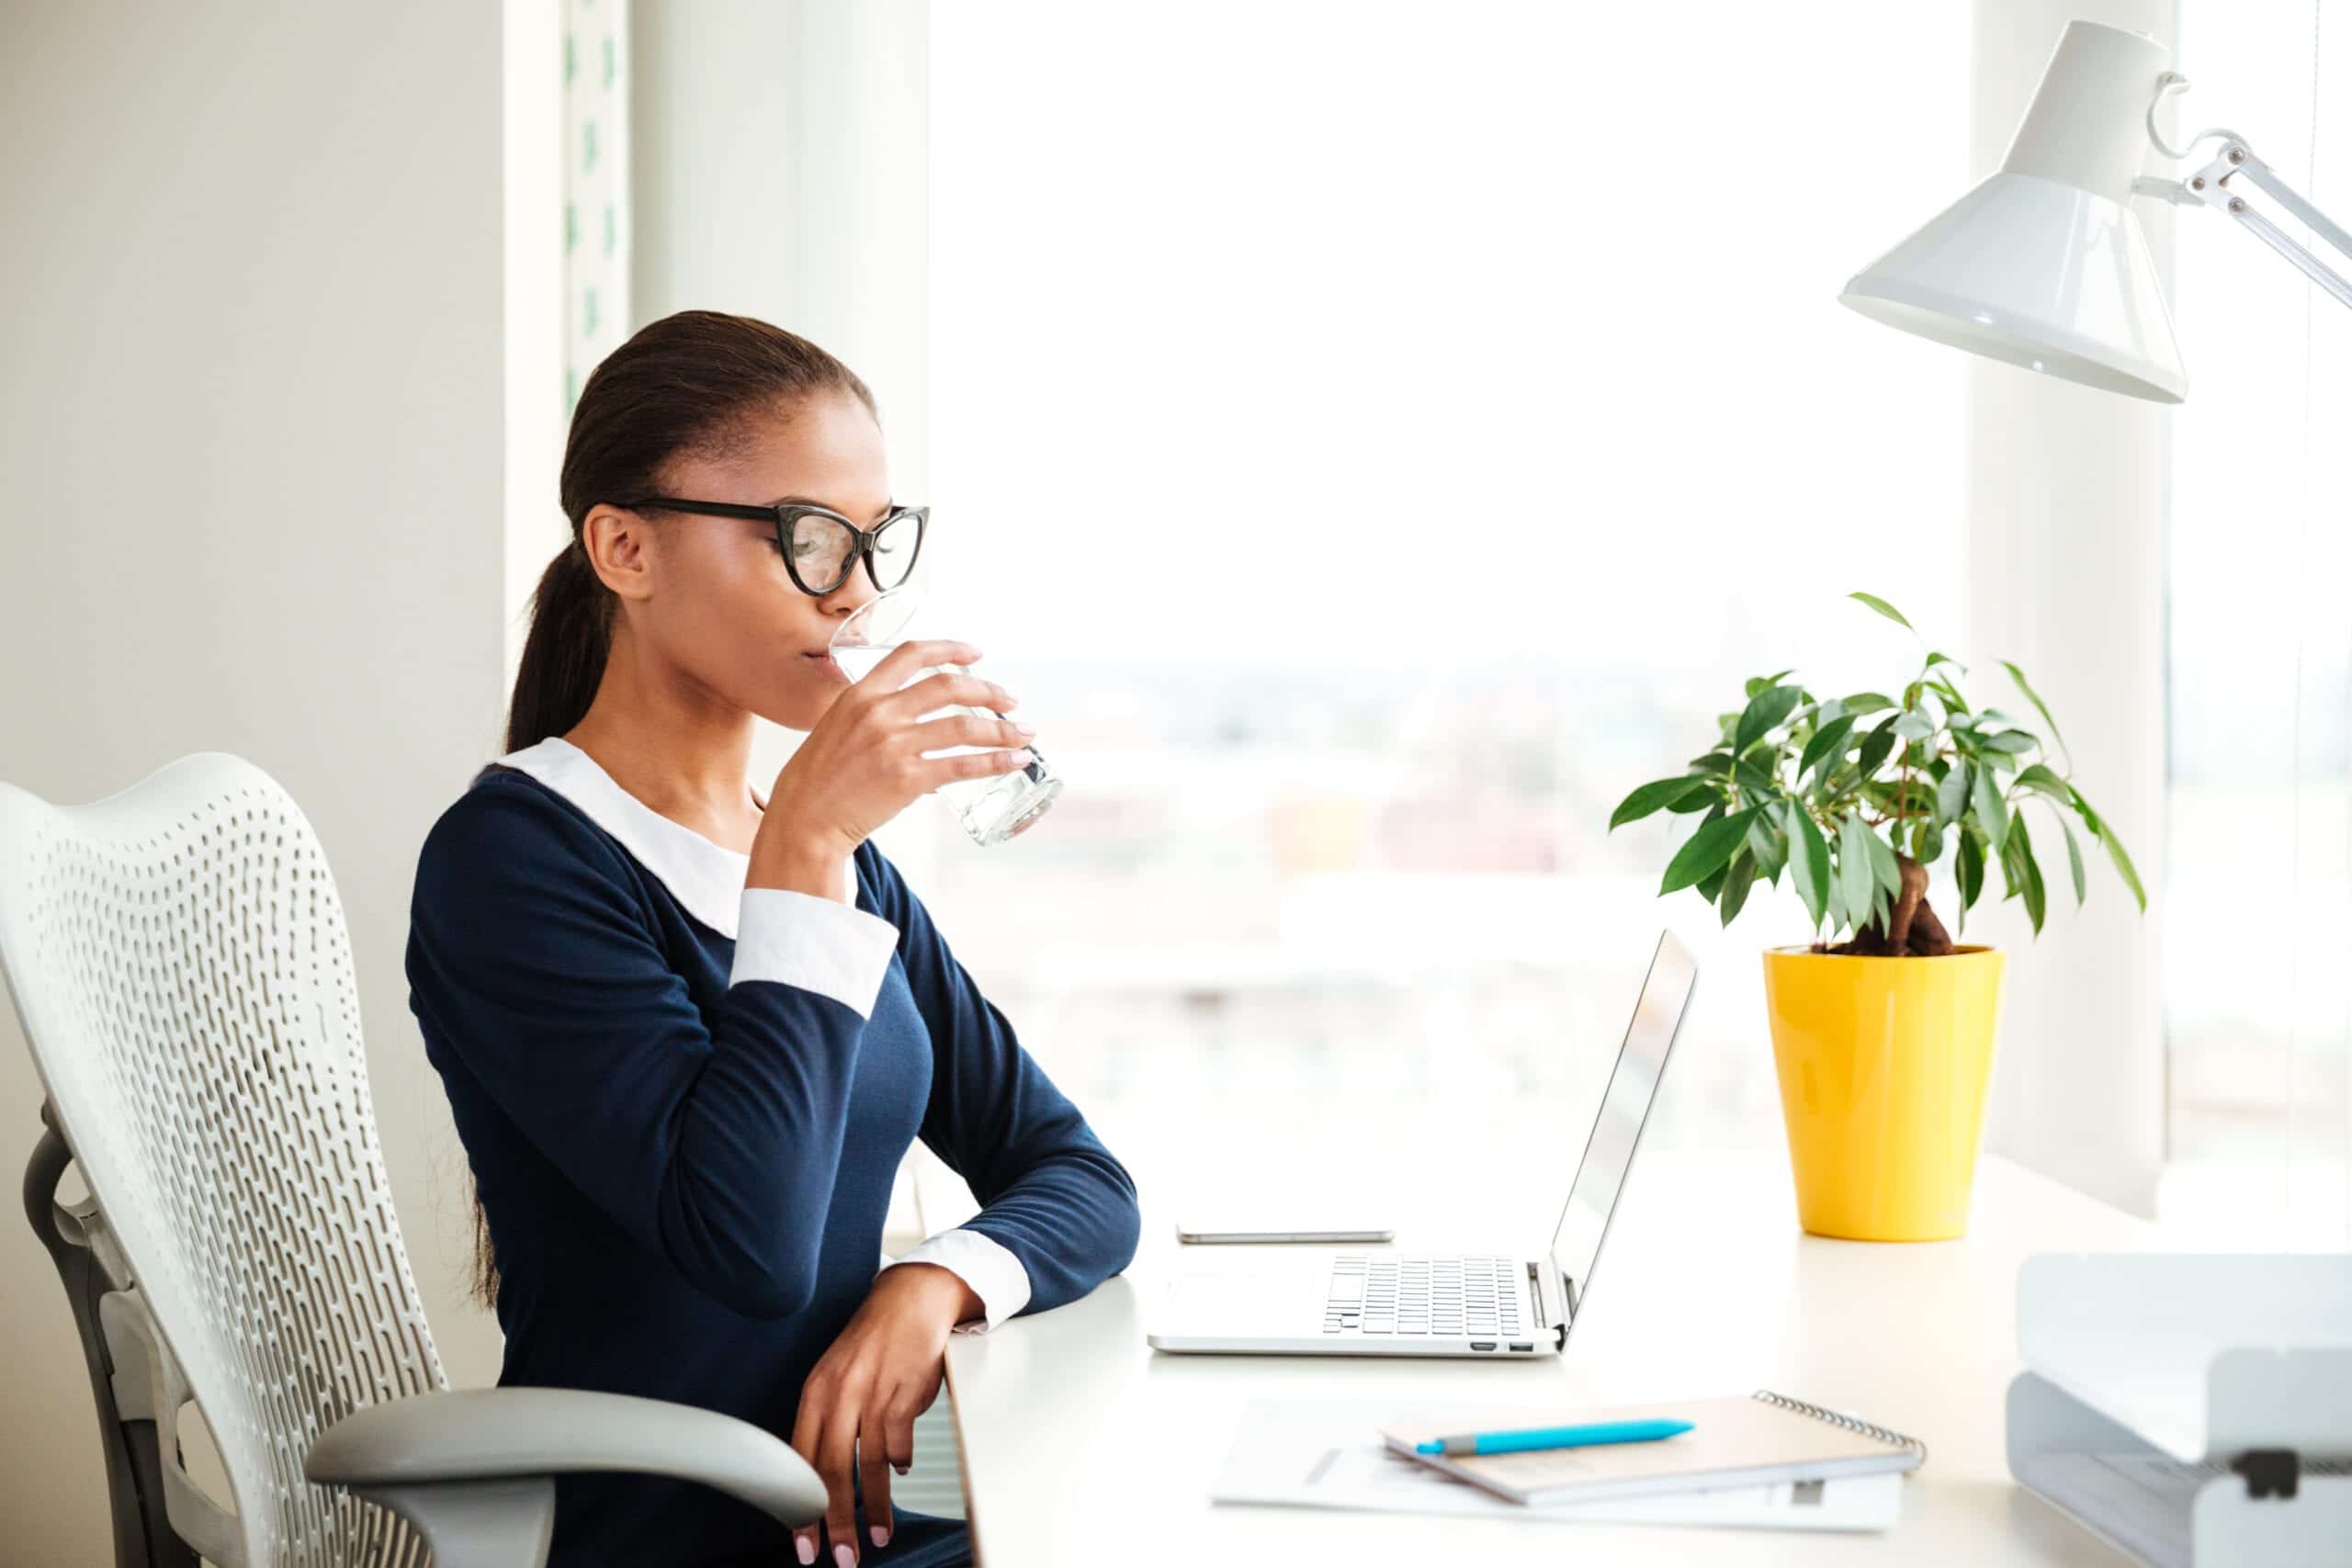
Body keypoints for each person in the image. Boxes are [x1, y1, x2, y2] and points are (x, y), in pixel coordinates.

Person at [406, 310, 1141, 1568]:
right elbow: (746, 1246)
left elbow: (1081, 1181)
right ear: (626, 548)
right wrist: (799, 849)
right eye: (809, 539)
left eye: (874, 542)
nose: (856, 592)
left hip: (852, 1541)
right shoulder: (515, 863)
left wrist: (935, 1284)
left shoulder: (845, 870)